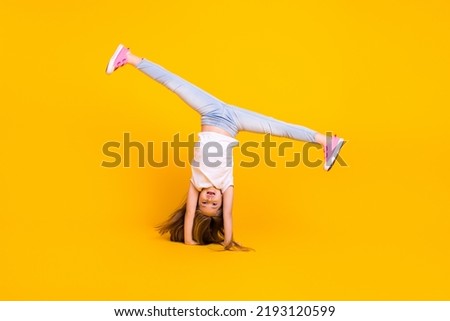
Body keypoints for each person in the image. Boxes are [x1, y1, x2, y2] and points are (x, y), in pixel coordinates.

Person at [106, 44, 345, 250]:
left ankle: (129, 57)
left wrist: (189, 240)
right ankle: (326, 141)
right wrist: (228, 242)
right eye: (214, 204)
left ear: (198, 198)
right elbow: (228, 216)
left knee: (174, 84)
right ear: (222, 202)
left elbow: (190, 214)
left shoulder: (196, 184)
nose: (210, 199)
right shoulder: (226, 185)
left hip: (211, 113)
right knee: (277, 128)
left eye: (204, 203)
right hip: (233, 123)